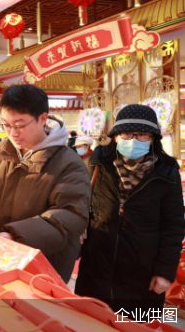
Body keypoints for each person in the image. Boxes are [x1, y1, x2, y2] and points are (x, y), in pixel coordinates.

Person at [0, 85, 90, 282]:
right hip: (0, 259)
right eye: (6, 125)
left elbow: (68, 215)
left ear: (43, 119)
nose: (12, 132)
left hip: (42, 266)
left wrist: (14, 236)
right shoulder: (2, 154)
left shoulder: (68, 164)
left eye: (20, 125)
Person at [75, 104, 184, 315]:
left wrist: (164, 271)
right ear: (115, 136)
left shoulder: (167, 172)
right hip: (96, 268)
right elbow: (78, 204)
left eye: (142, 134)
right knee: (92, 324)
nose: (133, 140)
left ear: (153, 138)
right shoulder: (97, 164)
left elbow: (174, 226)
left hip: (142, 275)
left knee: (135, 325)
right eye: (126, 133)